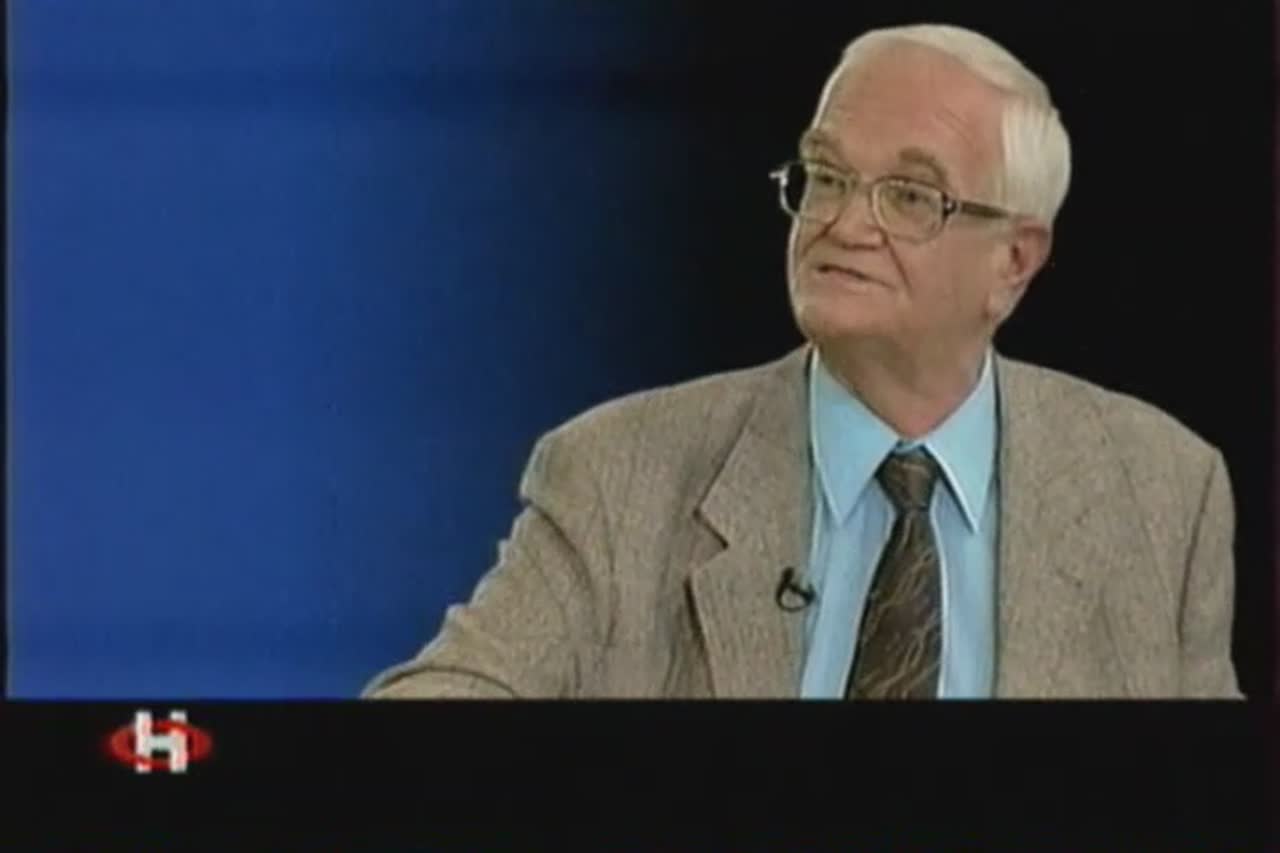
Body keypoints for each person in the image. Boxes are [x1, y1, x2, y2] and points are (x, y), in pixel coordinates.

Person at [362, 23, 1242, 699]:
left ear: (1013, 261)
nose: (844, 223)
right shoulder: (617, 475)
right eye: (826, 175)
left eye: (909, 195)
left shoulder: (1163, 490)